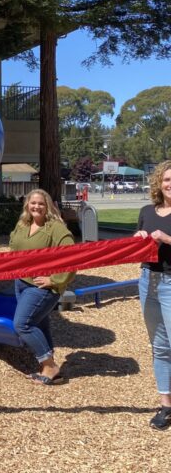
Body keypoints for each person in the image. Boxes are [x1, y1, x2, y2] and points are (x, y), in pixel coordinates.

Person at [10, 189, 75, 385]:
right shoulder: (23, 224)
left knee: (22, 324)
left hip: (41, 287)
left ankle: (49, 366)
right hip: (21, 282)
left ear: (48, 206)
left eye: (41, 203)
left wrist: (55, 280)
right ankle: (51, 369)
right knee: (38, 323)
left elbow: (72, 257)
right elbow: (13, 249)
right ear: (27, 205)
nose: (36, 207)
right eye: (33, 203)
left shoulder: (55, 228)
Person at [134, 160, 171, 430]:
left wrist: (167, 238)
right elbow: (138, 245)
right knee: (159, 346)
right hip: (148, 280)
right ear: (159, 183)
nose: (170, 184)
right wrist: (138, 237)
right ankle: (166, 405)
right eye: (167, 179)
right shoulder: (147, 211)